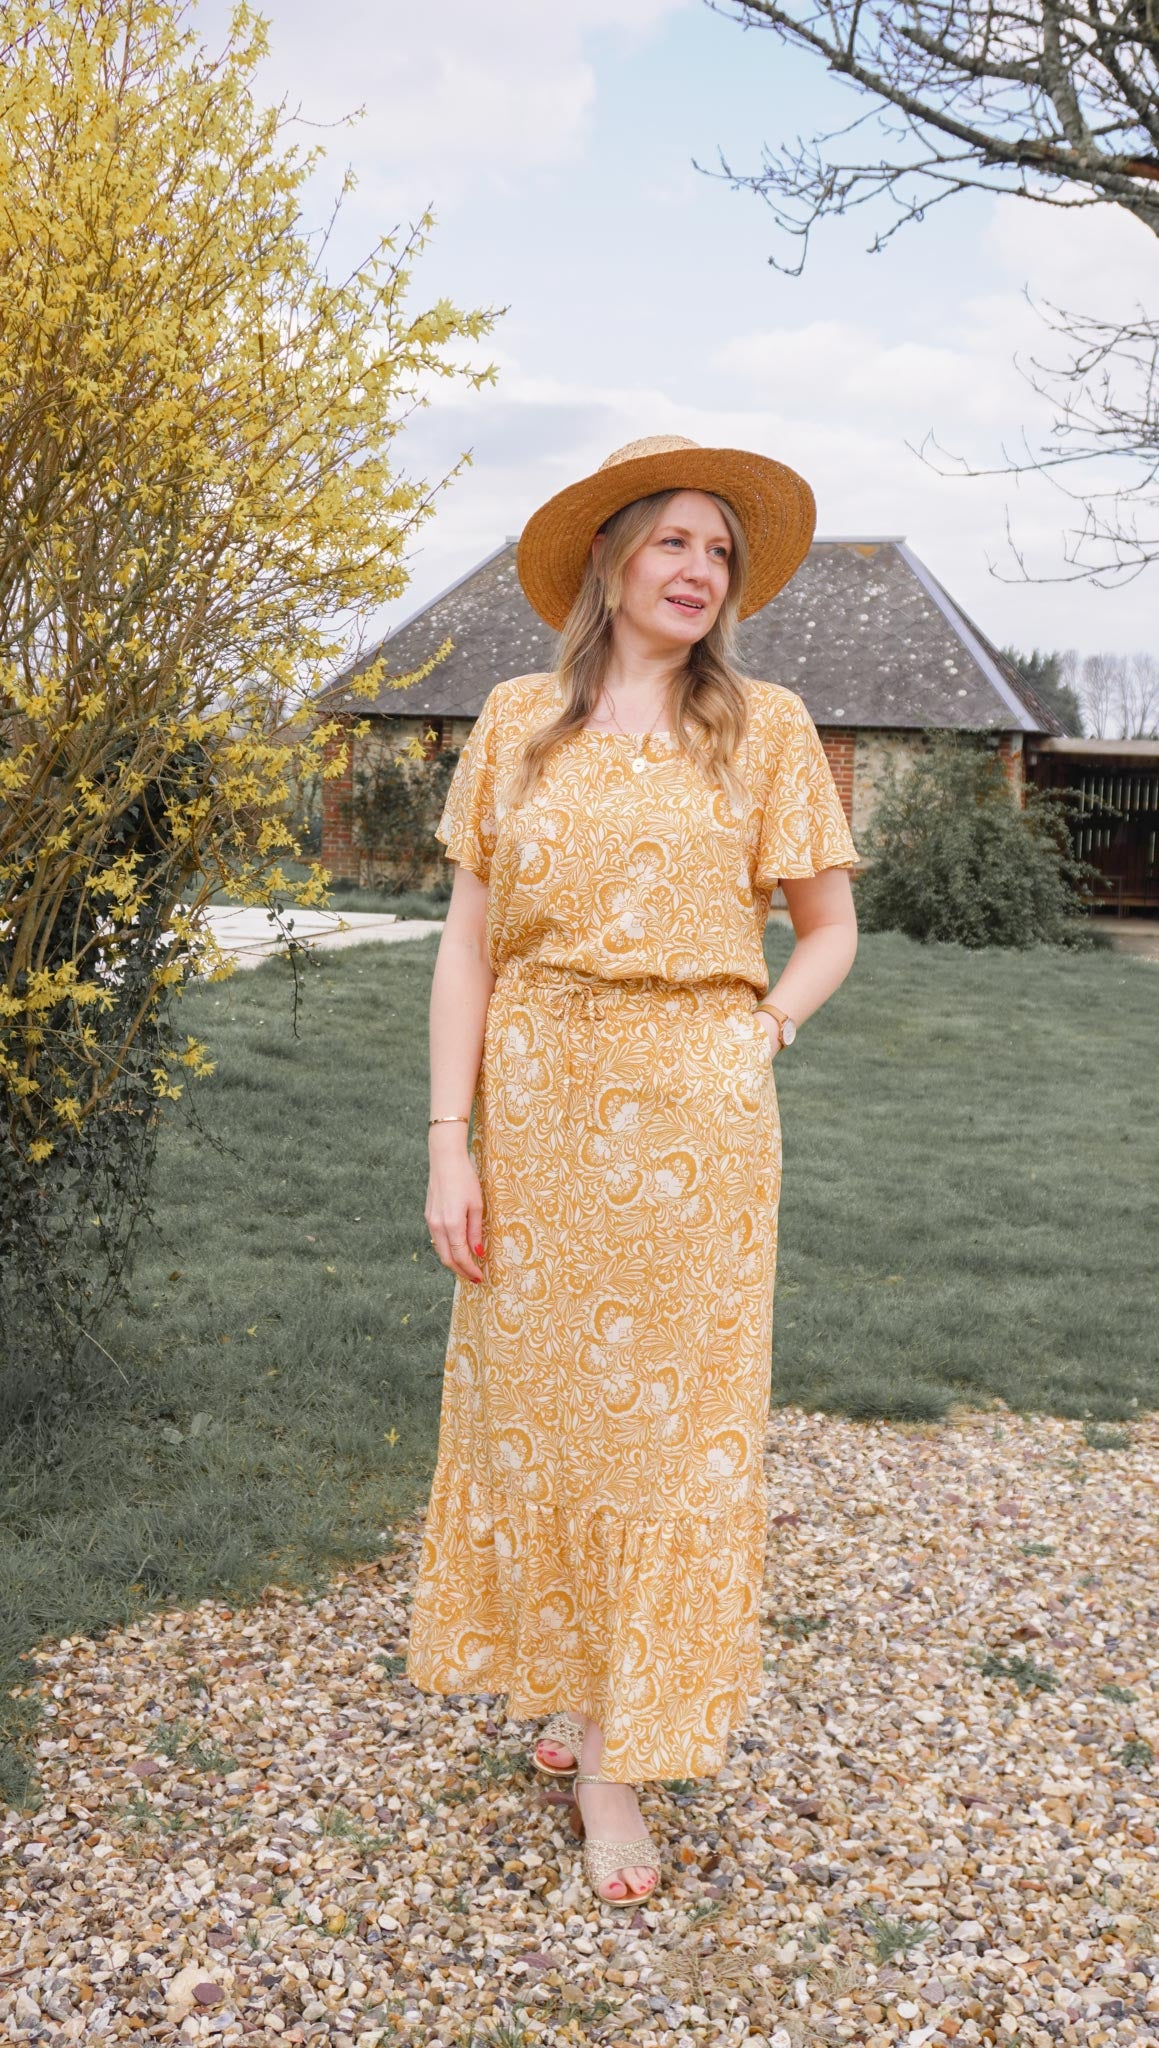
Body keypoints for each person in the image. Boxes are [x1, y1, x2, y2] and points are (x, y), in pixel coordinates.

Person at [406, 434, 860, 1908]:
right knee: (543, 1413)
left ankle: (613, 1755)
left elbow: (830, 928)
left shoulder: (766, 727)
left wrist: (761, 1033)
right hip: (538, 1110)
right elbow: (467, 949)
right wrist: (449, 1140)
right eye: (673, 540)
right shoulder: (515, 722)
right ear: (609, 561)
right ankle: (574, 1676)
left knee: (673, 1433)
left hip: (697, 1123)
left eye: (719, 551)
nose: (698, 570)